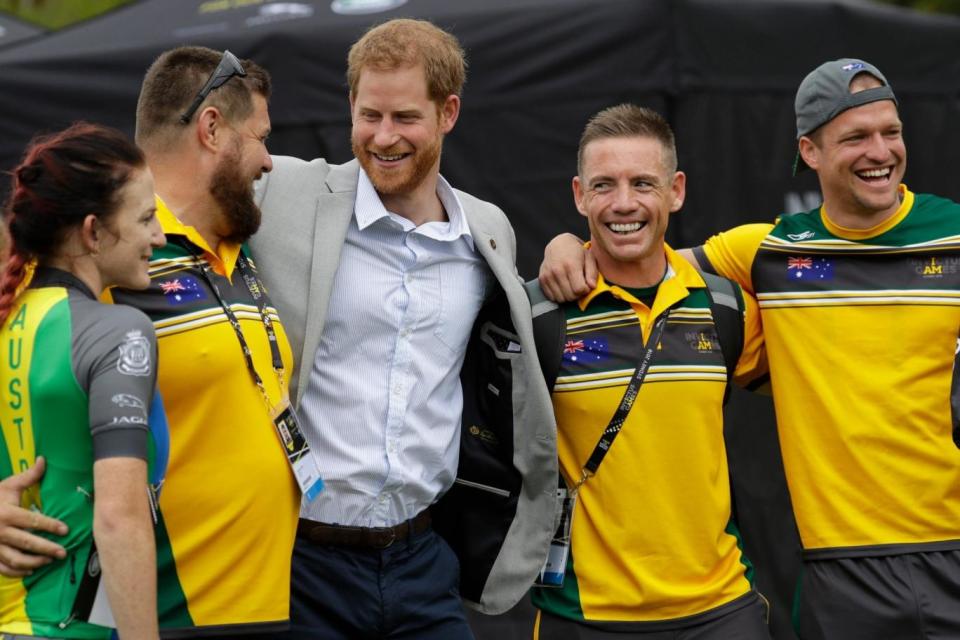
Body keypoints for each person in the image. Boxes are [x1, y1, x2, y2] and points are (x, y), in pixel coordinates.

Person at [539, 59, 960, 639]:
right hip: (840, 569)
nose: (879, 151)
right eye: (856, 137)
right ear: (810, 152)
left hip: (952, 546)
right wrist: (568, 246)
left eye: (891, 132)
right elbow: (641, 260)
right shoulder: (765, 252)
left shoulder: (954, 235)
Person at [248, 18, 556, 639]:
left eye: (405, 118)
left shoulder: (488, 229)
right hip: (296, 563)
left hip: (424, 561)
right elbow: (155, 179)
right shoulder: (282, 190)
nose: (383, 138)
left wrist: (571, 242)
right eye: (369, 116)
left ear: (449, 113)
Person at [0, 49, 301, 637]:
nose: (270, 161)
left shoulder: (244, 249)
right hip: (163, 611)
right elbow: (23, 395)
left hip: (272, 601)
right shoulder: (105, 262)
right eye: (261, 138)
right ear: (212, 128)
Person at [526, 103, 769, 639]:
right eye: (604, 185)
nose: (624, 204)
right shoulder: (538, 315)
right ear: (579, 195)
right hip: (584, 612)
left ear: (676, 190)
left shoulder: (724, 307)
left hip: (720, 608)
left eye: (643, 183)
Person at [0, 123, 165, 640]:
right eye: (146, 218)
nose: (159, 237)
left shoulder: (10, 317)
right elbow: (118, 519)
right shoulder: (119, 332)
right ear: (93, 233)